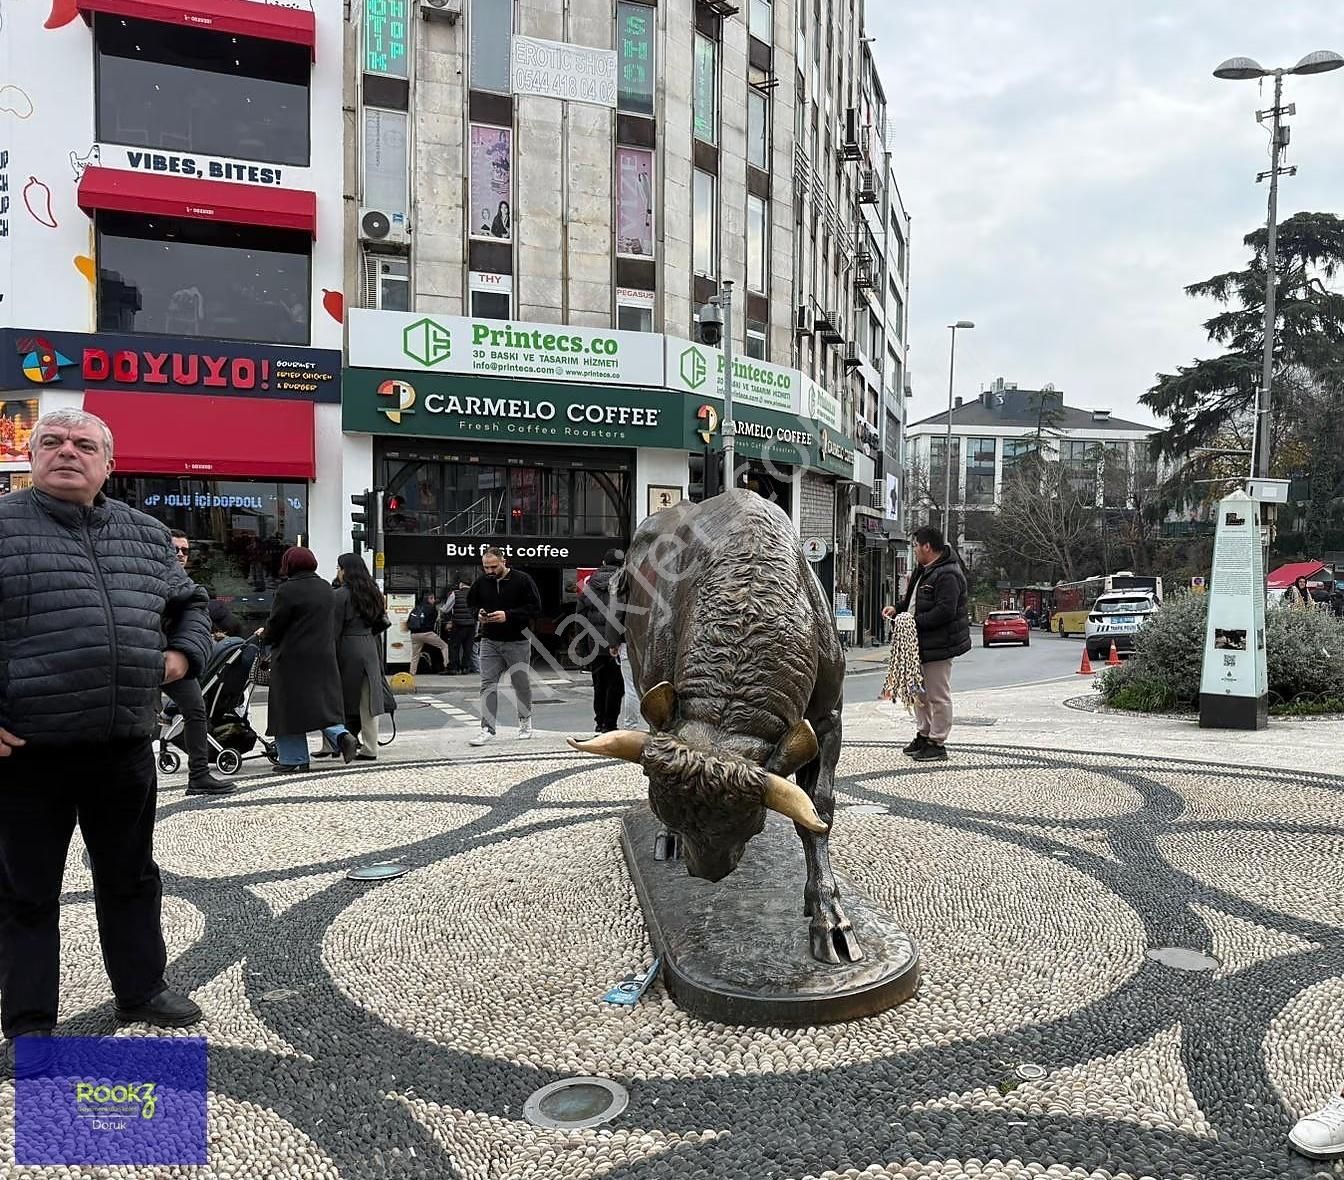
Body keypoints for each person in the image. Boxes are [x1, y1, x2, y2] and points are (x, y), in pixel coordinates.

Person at [0, 409, 214, 1061]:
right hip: (28, 748)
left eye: (84, 444)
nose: (68, 451)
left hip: (122, 743)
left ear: (108, 464)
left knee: (130, 876)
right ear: (31, 456)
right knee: (25, 891)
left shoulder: (146, 535)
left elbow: (191, 604)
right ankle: (30, 1020)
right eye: (52, 442)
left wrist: (183, 655)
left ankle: (142, 988)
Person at [258, 547, 358, 773]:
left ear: (288, 565)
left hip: (292, 658)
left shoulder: (287, 590)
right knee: (320, 703)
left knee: (287, 707)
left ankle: (294, 759)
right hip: (323, 655)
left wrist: (264, 635)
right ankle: (341, 736)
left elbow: (277, 625)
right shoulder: (325, 587)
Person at [881, 525, 971, 762]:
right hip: (918, 644)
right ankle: (923, 733)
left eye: (915, 546)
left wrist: (912, 622)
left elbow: (945, 611)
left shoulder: (948, 573)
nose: (914, 550)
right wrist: (898, 609)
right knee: (917, 692)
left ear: (927, 546)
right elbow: (912, 600)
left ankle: (937, 741)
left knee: (937, 694)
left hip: (939, 645)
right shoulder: (923, 570)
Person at [164, 531, 234, 797]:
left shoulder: (186, 582)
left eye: (185, 550)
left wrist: (184, 652)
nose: (181, 555)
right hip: (145, 653)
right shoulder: (150, 575)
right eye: (176, 550)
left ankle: (199, 774)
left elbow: (194, 617)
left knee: (195, 709)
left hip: (175, 655)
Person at [467, 547, 542, 747]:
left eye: (493, 567)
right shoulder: (481, 582)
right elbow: (471, 604)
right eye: (486, 567)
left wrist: (508, 615)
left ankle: (525, 721)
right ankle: (487, 728)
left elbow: (535, 608)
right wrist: (479, 615)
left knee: (520, 684)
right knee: (487, 684)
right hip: (489, 639)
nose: (489, 571)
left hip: (517, 640)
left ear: (504, 561)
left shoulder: (523, 580)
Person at [331, 553, 386, 762]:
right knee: (369, 699)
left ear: (346, 570)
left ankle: (340, 741)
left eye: (339, 568)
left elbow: (334, 629)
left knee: (342, 699)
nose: (338, 572)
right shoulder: (373, 592)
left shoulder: (340, 595)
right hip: (369, 645)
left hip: (348, 646)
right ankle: (371, 747)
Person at [574, 550, 625, 736]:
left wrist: (583, 647)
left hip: (594, 644)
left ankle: (599, 722)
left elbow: (580, 618)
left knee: (599, 684)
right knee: (617, 686)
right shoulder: (625, 584)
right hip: (618, 644)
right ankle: (610, 723)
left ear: (603, 562)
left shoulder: (589, 585)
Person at [408, 591, 451, 676]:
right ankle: (447, 666)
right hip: (427, 633)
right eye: (433, 598)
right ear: (430, 598)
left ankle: (412, 673)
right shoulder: (432, 609)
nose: (434, 600)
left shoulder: (416, 608)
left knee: (415, 655)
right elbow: (435, 621)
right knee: (444, 646)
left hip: (414, 634)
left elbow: (409, 621)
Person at [447, 578, 477, 673]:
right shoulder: (475, 594)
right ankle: (465, 668)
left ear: (461, 584)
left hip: (458, 625)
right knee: (467, 648)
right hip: (471, 626)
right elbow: (478, 612)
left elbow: (446, 609)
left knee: (454, 646)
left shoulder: (455, 594)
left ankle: (454, 668)